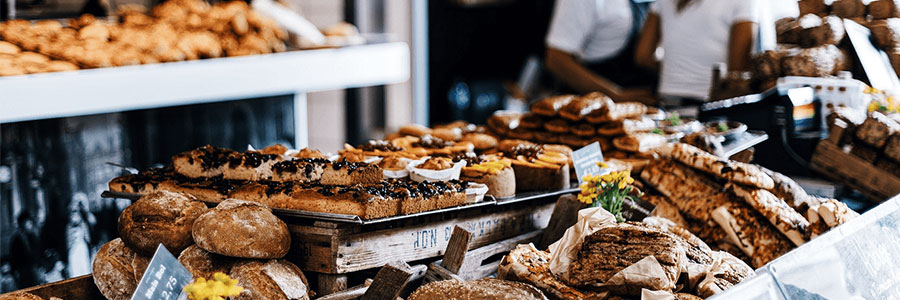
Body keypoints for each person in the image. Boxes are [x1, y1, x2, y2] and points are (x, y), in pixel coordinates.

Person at [635, 0, 758, 115]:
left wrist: (679, 71)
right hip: (710, 109)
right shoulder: (744, 2)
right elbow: (737, 72)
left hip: (666, 106)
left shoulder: (661, 2)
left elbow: (643, 57)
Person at [544, 0, 658, 104]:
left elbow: (644, 57)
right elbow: (556, 59)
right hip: (591, 108)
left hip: (638, 107)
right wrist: (615, 95)